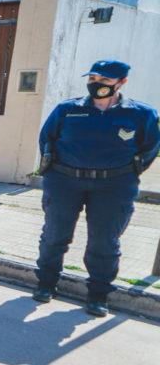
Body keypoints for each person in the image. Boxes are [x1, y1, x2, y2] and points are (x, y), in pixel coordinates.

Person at [34, 59, 159, 316]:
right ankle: (46, 283)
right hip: (65, 182)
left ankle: (98, 295)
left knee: (104, 242)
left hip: (114, 186)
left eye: (103, 81)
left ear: (121, 82)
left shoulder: (141, 114)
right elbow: (47, 139)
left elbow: (150, 148)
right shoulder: (67, 109)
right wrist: (54, 172)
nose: (96, 84)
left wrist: (128, 172)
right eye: (92, 79)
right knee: (55, 234)